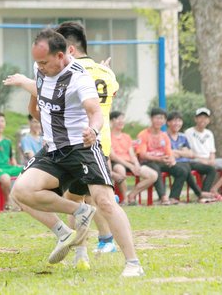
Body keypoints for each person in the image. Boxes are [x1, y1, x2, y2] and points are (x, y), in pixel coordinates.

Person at [8, 29, 143, 277]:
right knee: (20, 192)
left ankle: (133, 263)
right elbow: (38, 94)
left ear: (61, 55)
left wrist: (93, 129)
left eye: (44, 62)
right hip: (53, 151)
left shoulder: (79, 79)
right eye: (36, 62)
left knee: (104, 202)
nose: (39, 67)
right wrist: (23, 82)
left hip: (83, 149)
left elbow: (95, 111)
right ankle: (69, 224)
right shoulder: (41, 70)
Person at [136, 108, 189, 204]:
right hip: (147, 162)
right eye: (157, 118)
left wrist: (171, 160)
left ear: (165, 121)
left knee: (182, 170)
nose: (159, 121)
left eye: (162, 118)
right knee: (156, 168)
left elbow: (169, 153)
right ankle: (163, 197)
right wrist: (159, 159)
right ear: (151, 119)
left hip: (162, 161)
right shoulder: (143, 134)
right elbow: (143, 155)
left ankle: (173, 197)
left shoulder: (164, 136)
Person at [166, 111, 217, 202]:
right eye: (174, 121)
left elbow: (190, 154)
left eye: (179, 121)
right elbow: (168, 153)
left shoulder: (182, 136)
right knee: (184, 169)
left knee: (211, 169)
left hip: (187, 162)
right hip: (175, 163)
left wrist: (177, 152)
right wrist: (181, 152)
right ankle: (197, 194)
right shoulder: (164, 136)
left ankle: (204, 194)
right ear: (168, 122)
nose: (177, 123)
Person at [110, 111, 158, 205]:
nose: (121, 121)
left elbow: (132, 154)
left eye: (122, 119)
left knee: (153, 175)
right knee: (120, 170)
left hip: (130, 163)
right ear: (111, 121)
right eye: (118, 119)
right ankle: (125, 200)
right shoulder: (108, 136)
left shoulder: (127, 137)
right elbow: (113, 156)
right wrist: (130, 165)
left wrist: (136, 164)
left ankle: (131, 195)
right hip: (117, 162)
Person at [185, 108, 222, 200]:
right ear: (195, 119)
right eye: (200, 117)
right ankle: (204, 195)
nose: (203, 120)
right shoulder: (189, 132)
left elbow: (212, 151)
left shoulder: (209, 133)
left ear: (208, 120)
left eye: (205, 117)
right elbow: (188, 152)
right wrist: (203, 160)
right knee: (210, 168)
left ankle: (215, 189)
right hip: (194, 160)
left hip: (209, 160)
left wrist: (212, 159)